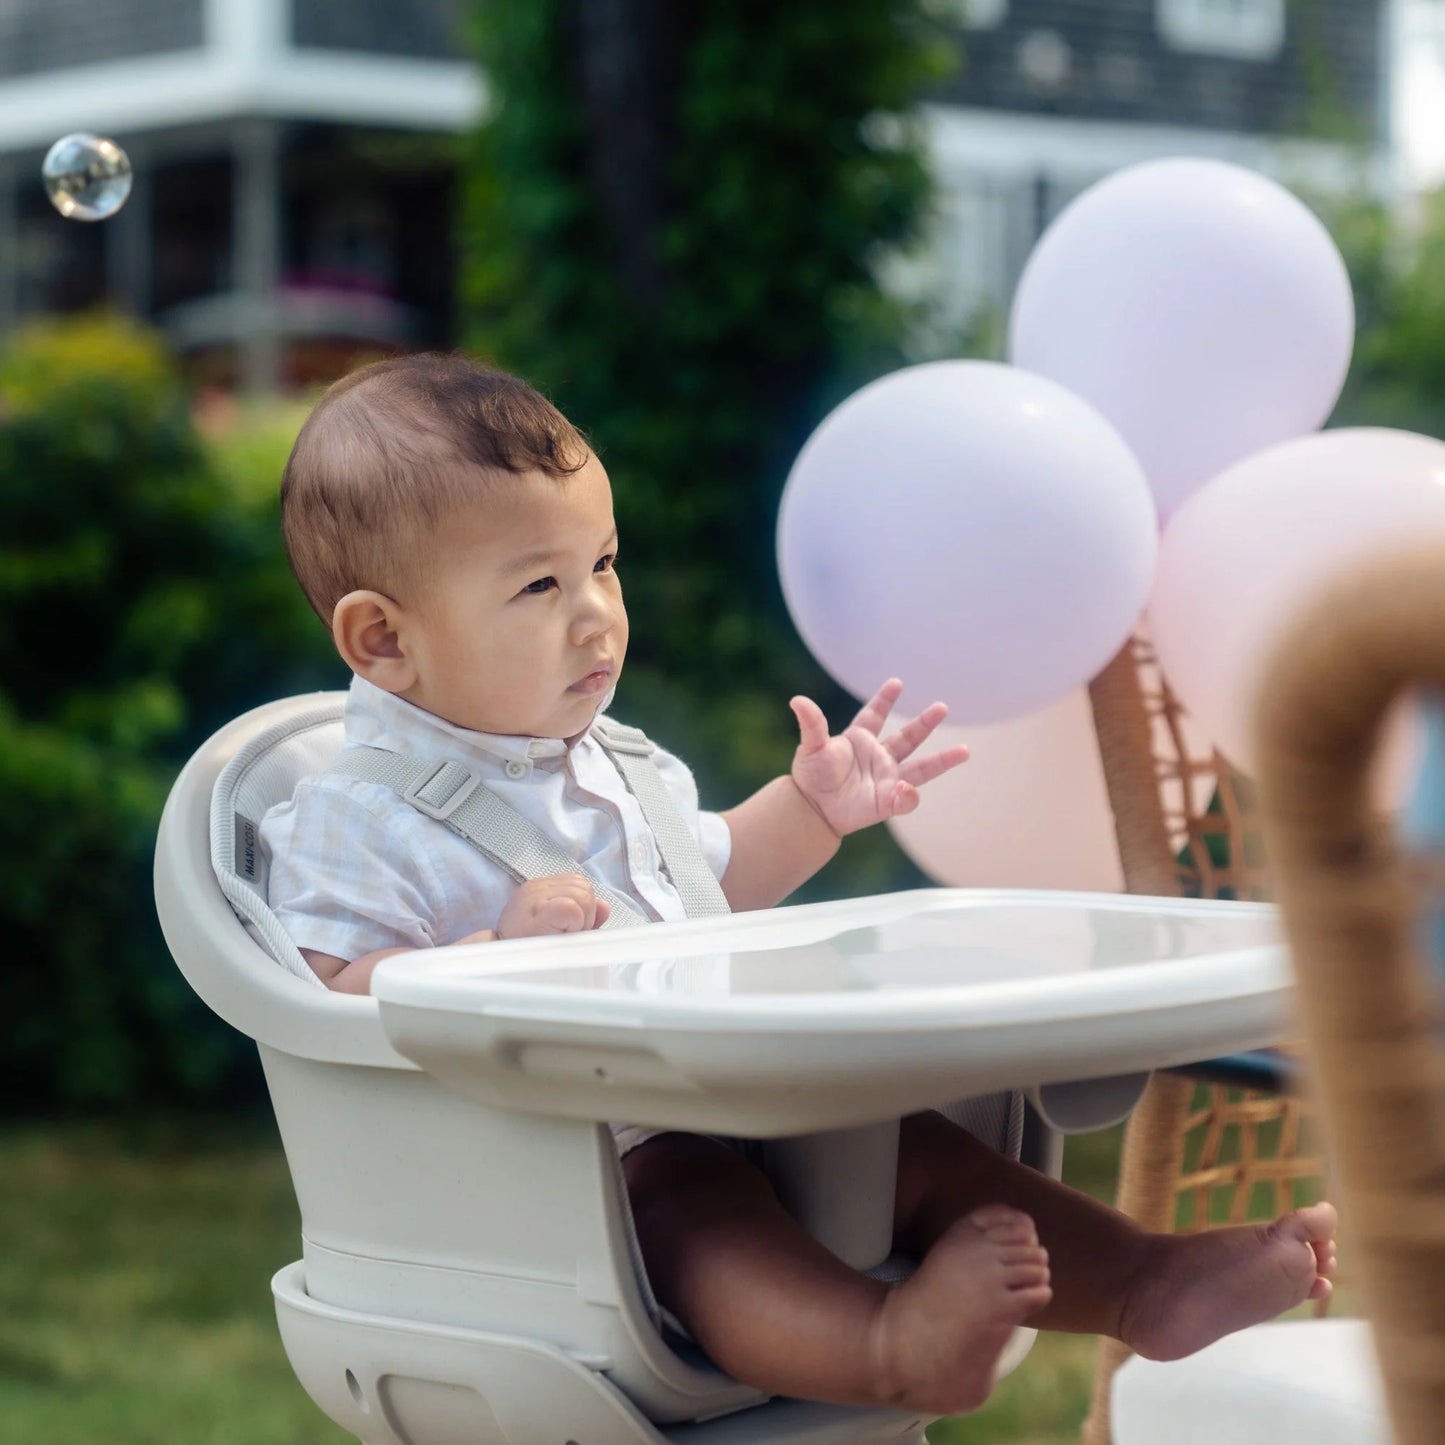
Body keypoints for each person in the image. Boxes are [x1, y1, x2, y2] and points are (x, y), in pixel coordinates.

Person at [261, 353, 1336, 1418]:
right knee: (689, 1205)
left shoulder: (610, 763)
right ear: (383, 637)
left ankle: (1146, 1281)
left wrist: (811, 809)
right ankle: (886, 1346)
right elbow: (322, 999)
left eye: (604, 562)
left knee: (912, 1150)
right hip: (555, 1176)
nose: (595, 612)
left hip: (722, 1098)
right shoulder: (358, 811)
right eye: (540, 583)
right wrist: (484, 960)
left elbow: (710, 878)